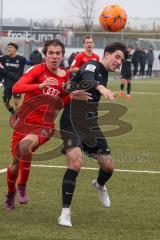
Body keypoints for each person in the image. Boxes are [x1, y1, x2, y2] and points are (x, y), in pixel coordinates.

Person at [4, 39, 91, 211]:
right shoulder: (37, 69)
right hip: (24, 123)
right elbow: (16, 88)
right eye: (51, 53)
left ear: (62, 56)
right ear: (46, 55)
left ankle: (22, 186)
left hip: (44, 125)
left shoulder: (65, 76)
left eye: (58, 53)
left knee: (25, 145)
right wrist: (40, 85)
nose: (54, 56)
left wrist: (71, 97)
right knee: (15, 162)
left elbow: (61, 102)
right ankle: (10, 194)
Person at [58, 42, 128, 227]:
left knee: (109, 167)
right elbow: (88, 76)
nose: (119, 62)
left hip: (90, 123)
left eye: (122, 60)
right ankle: (65, 213)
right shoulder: (93, 65)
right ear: (106, 54)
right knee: (75, 160)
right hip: (71, 119)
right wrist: (100, 88)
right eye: (117, 57)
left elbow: (72, 85)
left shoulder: (104, 73)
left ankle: (99, 184)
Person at [0, 42, 31, 116]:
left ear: (15, 49)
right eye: (8, 47)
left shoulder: (21, 59)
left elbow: (31, 63)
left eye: (11, 47)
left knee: (17, 102)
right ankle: (13, 113)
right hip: (7, 83)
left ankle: (18, 116)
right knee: (5, 102)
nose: (9, 49)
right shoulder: (3, 59)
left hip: (17, 83)